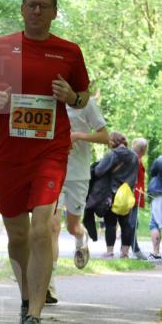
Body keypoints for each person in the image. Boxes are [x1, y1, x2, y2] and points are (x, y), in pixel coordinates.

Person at [0, 0, 91, 324]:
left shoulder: (68, 51)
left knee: (42, 230)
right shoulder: (0, 47)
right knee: (18, 235)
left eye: (44, 6)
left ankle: (35, 318)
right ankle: (25, 304)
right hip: (9, 155)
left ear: (55, 12)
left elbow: (83, 96)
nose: (37, 11)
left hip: (50, 152)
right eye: (31, 5)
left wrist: (72, 96)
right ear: (22, 9)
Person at [51, 84, 108, 277]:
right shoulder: (48, 102)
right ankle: (48, 281)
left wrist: (77, 136)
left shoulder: (86, 103)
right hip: (52, 173)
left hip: (78, 174)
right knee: (52, 226)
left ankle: (81, 237)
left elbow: (105, 136)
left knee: (72, 226)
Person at [90, 132, 139, 258]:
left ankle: (110, 251)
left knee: (110, 223)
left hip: (111, 193)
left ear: (114, 142)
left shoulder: (112, 154)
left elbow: (98, 171)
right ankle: (125, 252)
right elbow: (135, 176)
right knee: (125, 224)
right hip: (127, 194)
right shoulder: (134, 155)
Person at [129, 138, 148, 259]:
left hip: (136, 193)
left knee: (132, 222)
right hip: (133, 194)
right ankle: (134, 249)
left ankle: (129, 248)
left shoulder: (135, 158)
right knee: (132, 222)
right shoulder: (135, 159)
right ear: (142, 149)